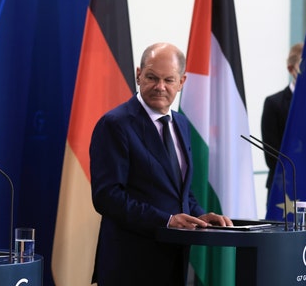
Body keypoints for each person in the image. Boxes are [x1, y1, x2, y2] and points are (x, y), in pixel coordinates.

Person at [90, 42, 232, 285]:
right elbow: (107, 196)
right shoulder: (115, 124)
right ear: (138, 74)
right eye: (152, 77)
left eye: (169, 79)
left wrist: (199, 215)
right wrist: (166, 220)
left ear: (182, 81)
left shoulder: (181, 124)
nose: (160, 87)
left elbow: (179, 190)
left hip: (174, 259)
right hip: (130, 265)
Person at [261, 43, 303, 199]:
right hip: (284, 187)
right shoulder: (274, 103)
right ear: (291, 69)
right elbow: (272, 155)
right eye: (304, 65)